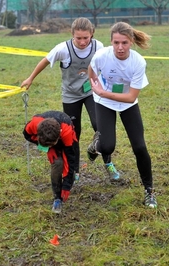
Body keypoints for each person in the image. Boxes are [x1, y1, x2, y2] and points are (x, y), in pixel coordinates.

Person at [20, 17, 119, 181]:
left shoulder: (98, 47)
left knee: (100, 127)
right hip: (71, 96)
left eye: (86, 38)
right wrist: (30, 78)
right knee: (74, 133)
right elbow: (45, 61)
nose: (82, 42)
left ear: (92, 34)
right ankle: (75, 170)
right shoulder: (63, 49)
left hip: (91, 92)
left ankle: (107, 163)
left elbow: (110, 63)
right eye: (78, 38)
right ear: (72, 35)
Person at [87, 22, 157, 208]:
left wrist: (104, 92)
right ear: (110, 42)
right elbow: (91, 70)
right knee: (108, 146)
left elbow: (131, 96)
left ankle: (149, 191)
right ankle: (96, 145)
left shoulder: (138, 62)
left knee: (140, 147)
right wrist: (96, 86)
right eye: (116, 42)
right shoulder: (102, 56)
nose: (120, 47)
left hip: (127, 102)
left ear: (131, 42)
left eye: (124, 43)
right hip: (104, 102)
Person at [23, 110, 78, 213]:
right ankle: (57, 197)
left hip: (68, 141)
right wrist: (48, 149)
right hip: (51, 139)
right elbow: (27, 135)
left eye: (51, 145)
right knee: (57, 163)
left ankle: (71, 180)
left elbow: (70, 160)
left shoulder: (66, 132)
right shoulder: (35, 123)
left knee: (71, 167)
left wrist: (66, 185)